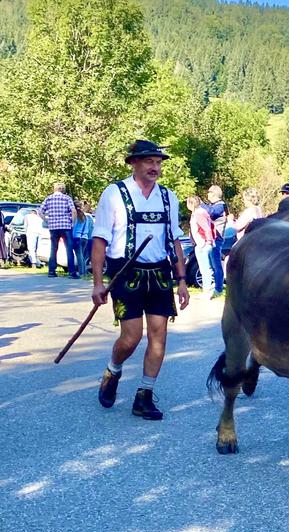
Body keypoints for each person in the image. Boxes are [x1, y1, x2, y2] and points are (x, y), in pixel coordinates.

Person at [92, 140, 190, 420]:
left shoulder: (169, 197)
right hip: (126, 272)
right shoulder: (114, 194)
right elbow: (99, 240)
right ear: (133, 163)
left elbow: (174, 240)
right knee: (131, 337)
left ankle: (144, 396)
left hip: (159, 274)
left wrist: (182, 280)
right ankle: (113, 370)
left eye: (158, 162)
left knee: (159, 335)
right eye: (149, 161)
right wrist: (98, 283)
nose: (155, 167)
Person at [38, 182, 78, 279]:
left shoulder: (48, 198)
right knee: (69, 249)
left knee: (53, 249)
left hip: (53, 226)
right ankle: (72, 273)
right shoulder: (67, 198)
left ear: (55, 189)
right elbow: (73, 211)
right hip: (65, 226)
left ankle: (51, 271)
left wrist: (46, 220)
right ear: (63, 189)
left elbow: (40, 211)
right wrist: (73, 222)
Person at [187, 195, 215, 298]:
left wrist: (207, 242)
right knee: (205, 268)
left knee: (205, 269)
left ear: (191, 204)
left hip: (203, 244)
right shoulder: (196, 213)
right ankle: (207, 289)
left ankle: (207, 290)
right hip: (200, 243)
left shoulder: (199, 213)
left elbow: (206, 228)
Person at [202, 185, 228, 297]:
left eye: (209, 192)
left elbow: (211, 213)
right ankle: (215, 285)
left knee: (216, 264)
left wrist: (201, 205)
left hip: (216, 238)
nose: (207, 194)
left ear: (214, 194)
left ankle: (218, 288)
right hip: (212, 238)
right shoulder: (213, 205)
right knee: (212, 264)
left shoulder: (220, 206)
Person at [72, 200, 95, 277]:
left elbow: (74, 227)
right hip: (85, 237)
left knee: (79, 255)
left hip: (77, 237)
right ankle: (84, 271)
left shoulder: (75, 216)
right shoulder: (86, 216)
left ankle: (81, 272)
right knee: (82, 255)